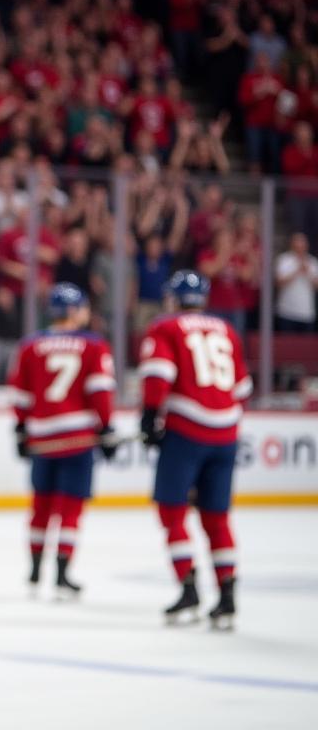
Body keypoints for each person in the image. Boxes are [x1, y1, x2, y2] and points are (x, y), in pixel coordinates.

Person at [138, 270, 252, 630]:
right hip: (227, 433)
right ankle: (228, 596)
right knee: (216, 518)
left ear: (173, 297)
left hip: (186, 431)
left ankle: (188, 588)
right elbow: (242, 386)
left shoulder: (165, 327)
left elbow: (158, 373)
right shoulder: (227, 329)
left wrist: (150, 417)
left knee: (172, 512)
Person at [6, 283, 117, 599]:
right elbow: (100, 390)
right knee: (70, 509)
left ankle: (35, 570)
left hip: (42, 440)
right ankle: (62, 573)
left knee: (41, 506)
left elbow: (21, 395)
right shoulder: (94, 346)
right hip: (77, 440)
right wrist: (106, 427)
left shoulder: (31, 345)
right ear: (74, 310)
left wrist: (21, 430)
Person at [274, 233, 318, 332]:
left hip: (306, 313)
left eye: (302, 243)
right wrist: (297, 271)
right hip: (286, 312)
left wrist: (308, 273)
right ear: (292, 244)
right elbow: (278, 283)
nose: (300, 247)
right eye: (297, 243)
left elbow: (316, 286)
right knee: (287, 344)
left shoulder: (312, 261)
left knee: (306, 346)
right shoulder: (284, 259)